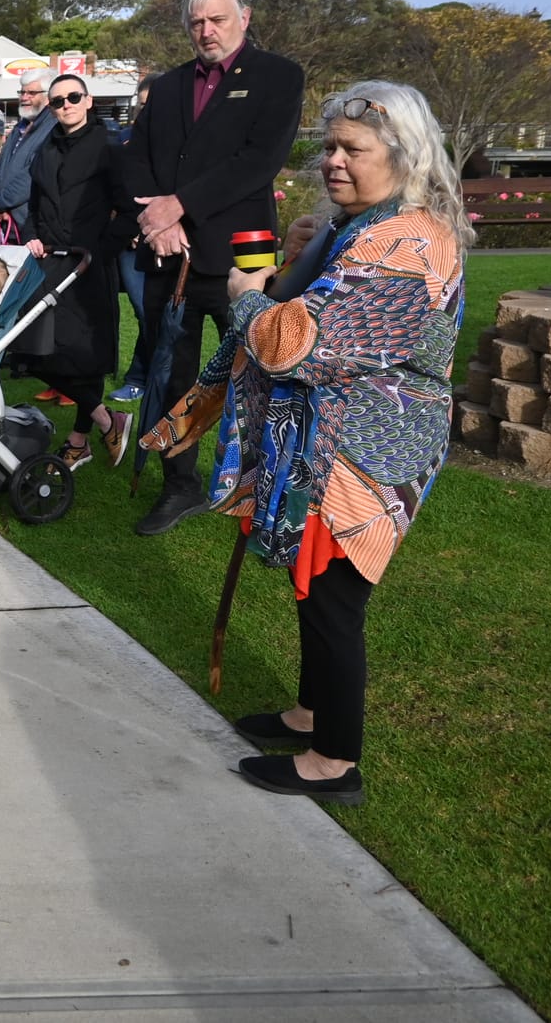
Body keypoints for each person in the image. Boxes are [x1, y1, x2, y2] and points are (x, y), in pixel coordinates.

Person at [143, 82, 470, 805]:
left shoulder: (405, 244)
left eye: (353, 149)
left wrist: (244, 294)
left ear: (404, 155)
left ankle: (334, 761)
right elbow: (318, 305)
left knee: (333, 600)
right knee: (314, 586)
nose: (333, 161)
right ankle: (311, 713)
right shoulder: (365, 227)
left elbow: (297, 344)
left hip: (361, 456)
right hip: (336, 445)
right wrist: (303, 256)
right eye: (328, 147)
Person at [124, 0, 305, 536]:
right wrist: (156, 221)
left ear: (244, 19)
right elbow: (137, 158)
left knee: (259, 372)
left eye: (217, 19)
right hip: (169, 256)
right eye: (197, 22)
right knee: (169, 375)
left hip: (240, 260)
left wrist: (177, 205)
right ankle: (179, 485)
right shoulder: (172, 84)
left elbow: (258, 162)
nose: (206, 31)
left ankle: (263, 480)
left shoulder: (278, 76)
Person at [22, 74, 136, 472]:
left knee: (85, 358)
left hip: (89, 265)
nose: (66, 104)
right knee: (34, 354)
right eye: (57, 101)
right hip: (48, 263)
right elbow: (33, 204)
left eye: (73, 97)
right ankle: (108, 420)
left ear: (88, 101)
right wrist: (32, 236)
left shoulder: (109, 148)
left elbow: (129, 211)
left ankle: (77, 442)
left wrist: (102, 251)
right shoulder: (44, 149)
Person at [109, 75, 158, 404]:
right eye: (142, 105)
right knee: (143, 310)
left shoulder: (183, 145)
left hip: (166, 239)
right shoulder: (123, 141)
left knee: (159, 313)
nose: (146, 111)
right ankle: (141, 376)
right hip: (130, 241)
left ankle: (151, 376)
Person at [0, 74, 54, 241]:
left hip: (29, 225)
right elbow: (0, 167)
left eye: (31, 93)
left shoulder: (52, 127)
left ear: (48, 96)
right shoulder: (19, 127)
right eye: (22, 92)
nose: (24, 97)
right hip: (5, 222)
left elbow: (32, 175)